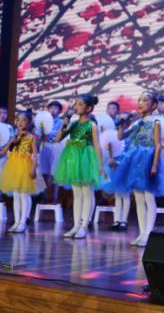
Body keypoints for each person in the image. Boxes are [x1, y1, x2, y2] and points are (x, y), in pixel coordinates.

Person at [105, 91, 164, 247]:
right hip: (134, 160)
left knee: (148, 197)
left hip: (148, 159)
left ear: (154, 105)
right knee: (139, 198)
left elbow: (158, 145)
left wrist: (154, 165)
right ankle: (142, 233)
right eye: (139, 100)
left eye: (145, 100)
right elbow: (121, 137)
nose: (141, 103)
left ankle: (149, 233)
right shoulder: (137, 123)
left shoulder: (156, 121)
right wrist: (121, 125)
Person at [54, 94, 106, 239]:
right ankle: (76, 225)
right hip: (73, 159)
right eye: (75, 104)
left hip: (86, 159)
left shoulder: (92, 125)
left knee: (87, 193)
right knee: (76, 194)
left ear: (89, 108)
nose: (76, 107)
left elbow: (97, 146)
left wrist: (100, 165)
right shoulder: (73, 124)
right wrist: (65, 122)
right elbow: (58, 138)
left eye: (80, 104)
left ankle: (84, 226)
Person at [0, 110, 40, 233]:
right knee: (16, 196)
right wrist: (9, 143)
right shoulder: (14, 137)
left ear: (29, 123)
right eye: (18, 120)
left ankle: (23, 222)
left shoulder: (31, 137)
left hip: (25, 167)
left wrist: (33, 168)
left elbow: (35, 155)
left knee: (23, 196)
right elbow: (2, 152)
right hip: (13, 167)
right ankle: (16, 221)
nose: (20, 122)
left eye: (24, 120)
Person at [38, 101, 64, 203]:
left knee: (55, 172)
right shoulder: (42, 121)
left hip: (56, 146)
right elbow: (38, 135)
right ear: (48, 109)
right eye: (51, 108)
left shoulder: (61, 122)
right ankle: (44, 196)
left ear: (59, 111)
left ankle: (54, 197)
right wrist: (42, 135)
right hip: (45, 146)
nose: (53, 110)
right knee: (44, 172)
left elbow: (61, 134)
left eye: (56, 108)